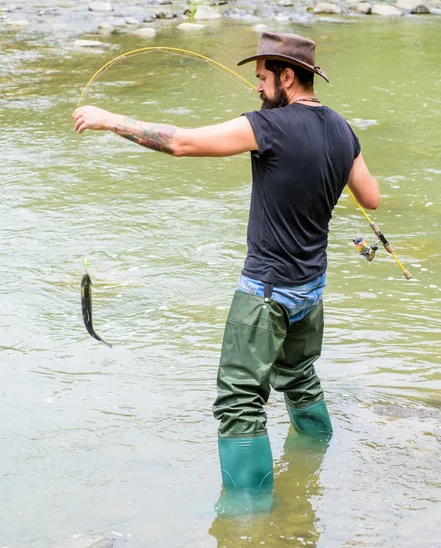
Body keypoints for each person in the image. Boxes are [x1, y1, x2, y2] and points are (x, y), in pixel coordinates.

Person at [73, 31, 380, 511]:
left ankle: (248, 520)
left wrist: (109, 120)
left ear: (287, 76)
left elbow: (181, 143)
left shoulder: (269, 127)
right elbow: (372, 198)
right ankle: (315, 463)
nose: (257, 88)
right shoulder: (343, 130)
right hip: (310, 290)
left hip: (266, 293)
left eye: (261, 78)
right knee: (299, 375)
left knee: (239, 404)